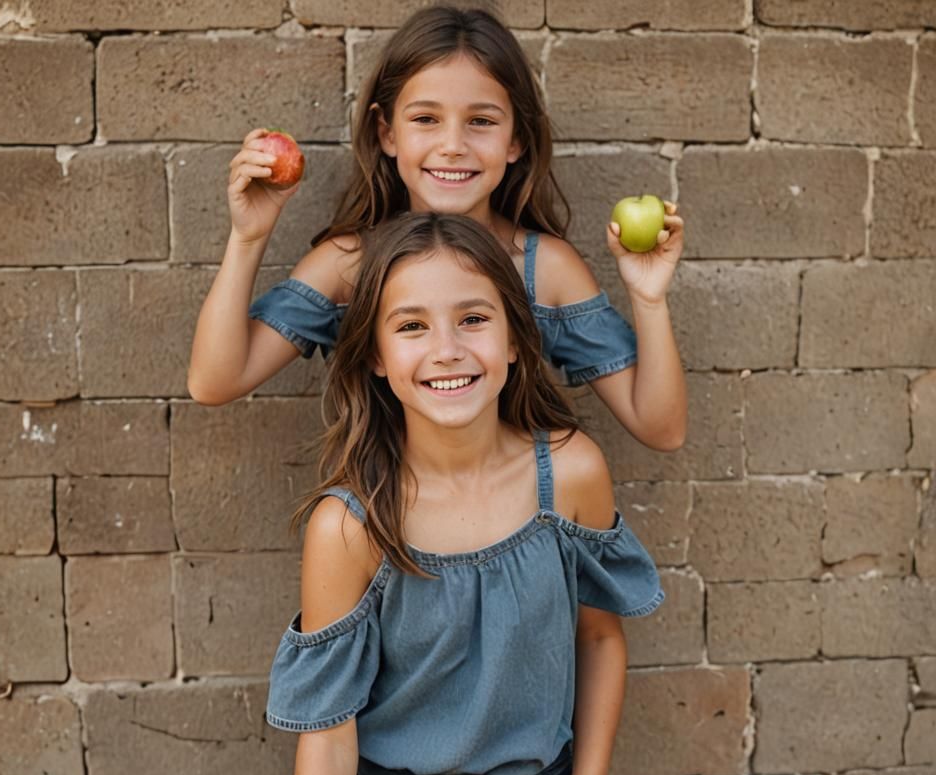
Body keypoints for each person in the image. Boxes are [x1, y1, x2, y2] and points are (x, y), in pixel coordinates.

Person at [260, 212, 663, 775]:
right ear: (376, 358)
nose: (447, 349)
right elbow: (328, 730)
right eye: (411, 327)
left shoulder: (571, 472)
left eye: (474, 319)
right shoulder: (350, 526)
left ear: (517, 341)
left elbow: (599, 637)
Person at [188, 5, 686, 452]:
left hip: (518, 525)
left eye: (482, 122)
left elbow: (661, 429)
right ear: (387, 133)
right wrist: (249, 237)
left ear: (516, 140)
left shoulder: (545, 269)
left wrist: (648, 298)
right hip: (389, 526)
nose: (452, 145)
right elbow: (214, 382)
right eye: (426, 118)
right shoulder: (350, 264)